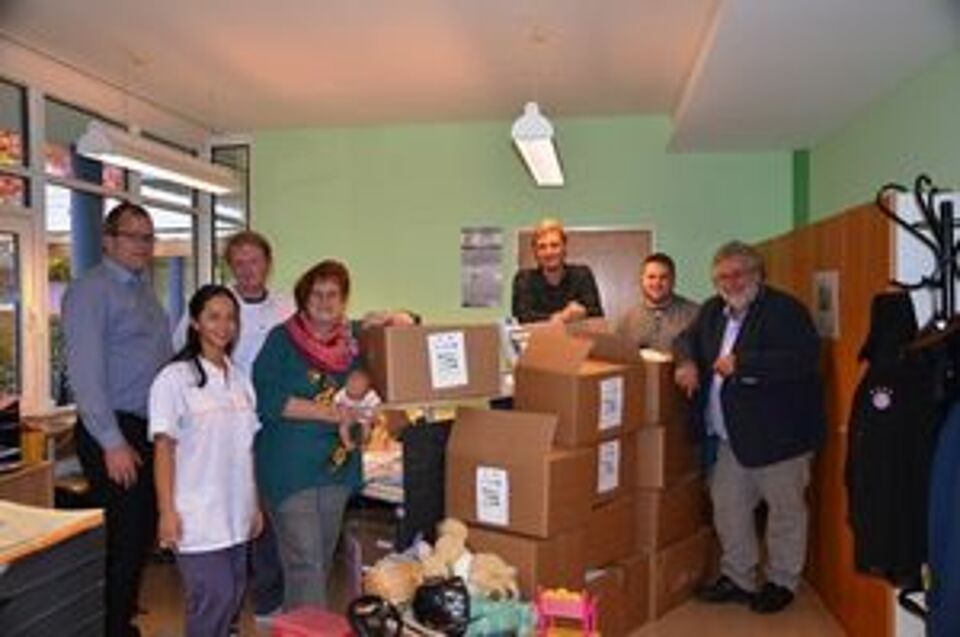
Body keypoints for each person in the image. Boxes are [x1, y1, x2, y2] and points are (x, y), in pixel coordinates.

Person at [674, 241, 825, 614]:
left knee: (785, 512)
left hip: (781, 437)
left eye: (738, 274)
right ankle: (738, 577)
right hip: (733, 437)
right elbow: (685, 339)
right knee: (727, 506)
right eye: (722, 277)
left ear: (757, 274)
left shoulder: (785, 310)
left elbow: (804, 359)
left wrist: (744, 363)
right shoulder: (713, 311)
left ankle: (781, 582)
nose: (731, 283)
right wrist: (686, 362)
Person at [252, 259, 408, 609]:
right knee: (306, 563)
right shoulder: (282, 339)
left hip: (336, 468)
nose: (325, 301)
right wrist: (332, 413)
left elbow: (406, 325)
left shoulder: (351, 342)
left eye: (333, 294)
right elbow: (267, 399)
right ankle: (312, 629)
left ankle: (298, 626)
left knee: (318, 564)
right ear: (303, 300)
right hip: (290, 471)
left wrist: (385, 318)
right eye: (316, 294)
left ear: (344, 300)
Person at [62, 202, 173, 637]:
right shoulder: (90, 291)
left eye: (149, 237)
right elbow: (85, 374)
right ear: (108, 241)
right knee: (124, 540)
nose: (143, 245)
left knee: (138, 535)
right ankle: (110, 629)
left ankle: (120, 623)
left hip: (145, 429)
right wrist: (111, 441)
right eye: (133, 236)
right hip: (113, 430)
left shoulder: (144, 292)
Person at [172, 230, 293, 617]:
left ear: (267, 264)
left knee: (265, 513)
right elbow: (182, 359)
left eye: (254, 260)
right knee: (225, 514)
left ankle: (266, 600)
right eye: (238, 262)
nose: (247, 269)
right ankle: (225, 607)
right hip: (218, 429)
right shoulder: (213, 303)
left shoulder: (286, 308)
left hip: (273, 426)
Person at [150, 285, 263, 637]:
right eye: (213, 316)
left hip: (237, 512)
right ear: (195, 323)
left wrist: (255, 506)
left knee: (233, 598)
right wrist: (166, 512)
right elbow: (164, 449)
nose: (223, 325)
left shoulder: (240, 380)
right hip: (196, 514)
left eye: (230, 317)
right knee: (215, 597)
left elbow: (247, 450)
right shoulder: (174, 379)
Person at [511, 218, 603, 324]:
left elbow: (597, 317)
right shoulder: (524, 279)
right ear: (535, 253)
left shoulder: (582, 276)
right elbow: (522, 318)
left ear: (564, 248)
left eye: (554, 245)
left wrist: (582, 312)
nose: (549, 252)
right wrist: (562, 317)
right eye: (542, 247)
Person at [616, 252, 699, 352]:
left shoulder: (696, 316)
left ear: (673, 280)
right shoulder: (627, 321)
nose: (657, 283)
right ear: (642, 280)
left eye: (663, 277)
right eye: (651, 277)